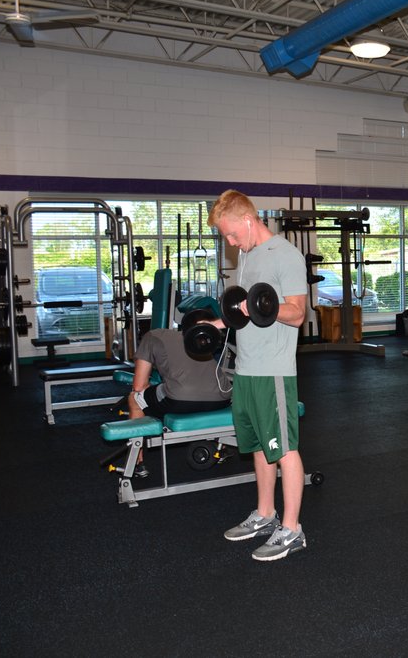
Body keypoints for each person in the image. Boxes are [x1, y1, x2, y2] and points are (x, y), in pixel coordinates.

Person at [208, 189, 310, 561]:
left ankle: (292, 529)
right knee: (258, 447)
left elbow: (297, 313)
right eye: (226, 237)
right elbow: (243, 310)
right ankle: (266, 514)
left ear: (249, 220)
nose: (231, 243)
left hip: (274, 370)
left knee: (284, 449)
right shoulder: (247, 255)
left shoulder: (286, 255)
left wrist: (263, 306)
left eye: (232, 234)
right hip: (247, 368)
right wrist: (218, 324)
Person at [126, 310, 232, 477]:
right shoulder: (204, 340)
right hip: (223, 397)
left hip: (180, 398)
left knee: (134, 398)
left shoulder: (152, 336)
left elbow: (139, 386)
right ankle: (222, 448)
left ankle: (137, 463)